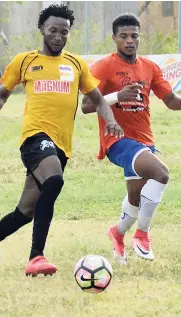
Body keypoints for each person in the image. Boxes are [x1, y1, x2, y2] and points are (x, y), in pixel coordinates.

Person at [0, 4, 123, 276]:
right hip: (34, 138)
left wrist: (111, 120)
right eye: (53, 30)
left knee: (25, 211)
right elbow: (2, 94)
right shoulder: (25, 60)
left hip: (62, 145)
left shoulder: (76, 64)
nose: (58, 36)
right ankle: (36, 257)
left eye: (64, 32)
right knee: (54, 180)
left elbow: (99, 100)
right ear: (42, 30)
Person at [82, 14, 181, 265]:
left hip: (144, 141)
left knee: (136, 199)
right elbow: (85, 105)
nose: (129, 41)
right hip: (117, 140)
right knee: (161, 173)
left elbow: (171, 102)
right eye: (123, 36)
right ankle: (142, 235)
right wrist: (117, 95)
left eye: (134, 36)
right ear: (114, 38)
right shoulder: (104, 66)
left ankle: (117, 234)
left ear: (140, 38)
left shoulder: (149, 67)